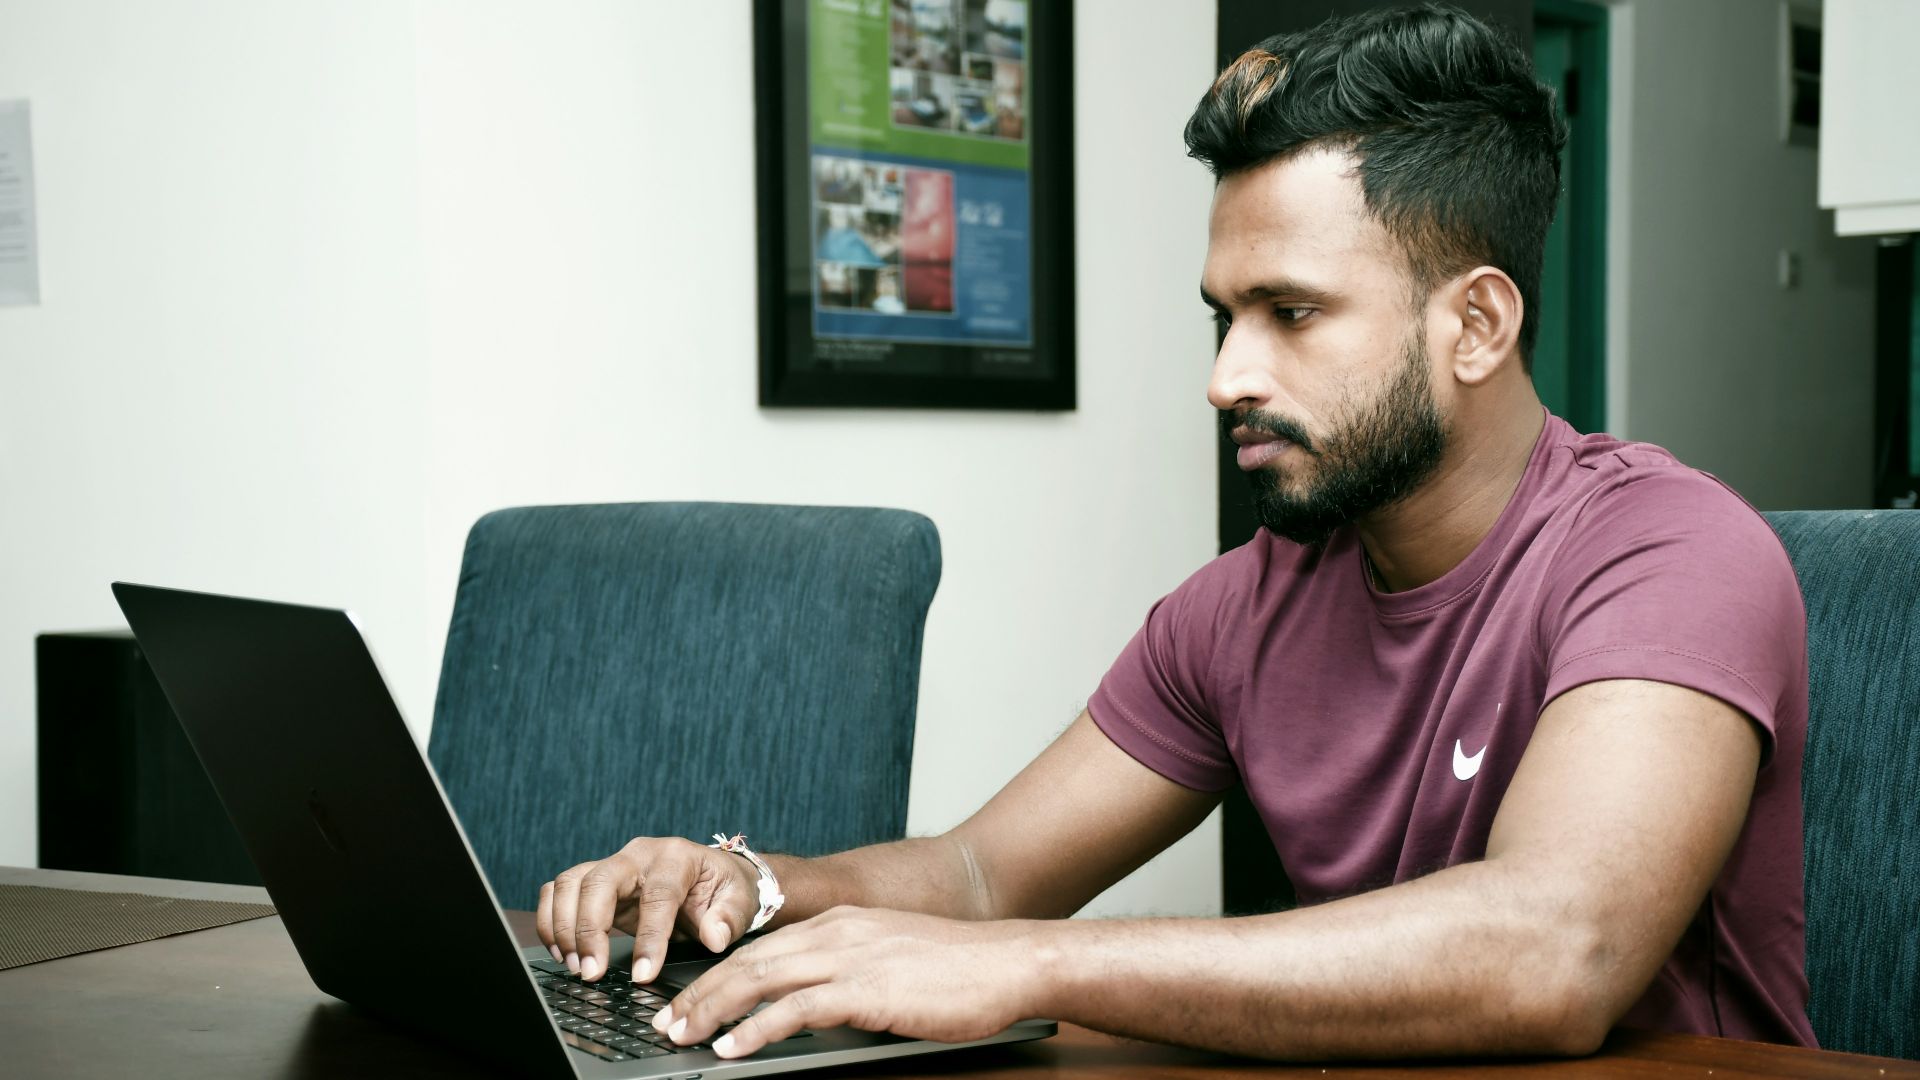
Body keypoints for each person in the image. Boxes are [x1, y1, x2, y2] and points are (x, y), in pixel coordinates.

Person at [537, 3, 1814, 1061]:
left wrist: (1018, 966)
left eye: (1292, 313)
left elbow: (1555, 949)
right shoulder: (1244, 606)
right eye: (1223, 318)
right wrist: (747, 888)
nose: (1228, 378)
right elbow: (983, 877)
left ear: (1475, 325)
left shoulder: (1672, 552)